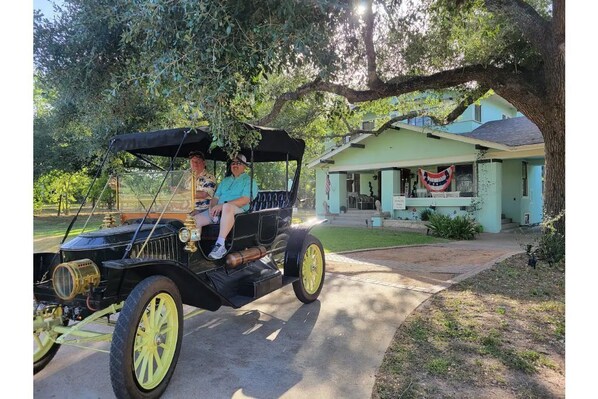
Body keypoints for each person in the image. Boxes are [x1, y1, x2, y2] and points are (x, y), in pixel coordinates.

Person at [195, 154, 258, 260]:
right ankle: (195, 247)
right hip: (219, 209)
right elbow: (215, 198)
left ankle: (220, 245)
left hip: (239, 211)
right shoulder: (225, 181)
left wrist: (222, 205)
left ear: (245, 166)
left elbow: (245, 200)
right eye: (233, 163)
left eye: (238, 163)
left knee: (227, 207)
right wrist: (212, 209)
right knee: (195, 220)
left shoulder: (249, 181)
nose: (235, 165)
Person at [184, 151, 216, 223]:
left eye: (198, 161)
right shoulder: (188, 178)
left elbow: (204, 194)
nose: (195, 164)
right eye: (193, 161)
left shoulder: (209, 178)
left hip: (204, 210)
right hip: (187, 209)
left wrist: (182, 191)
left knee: (191, 220)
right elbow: (184, 196)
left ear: (204, 163)